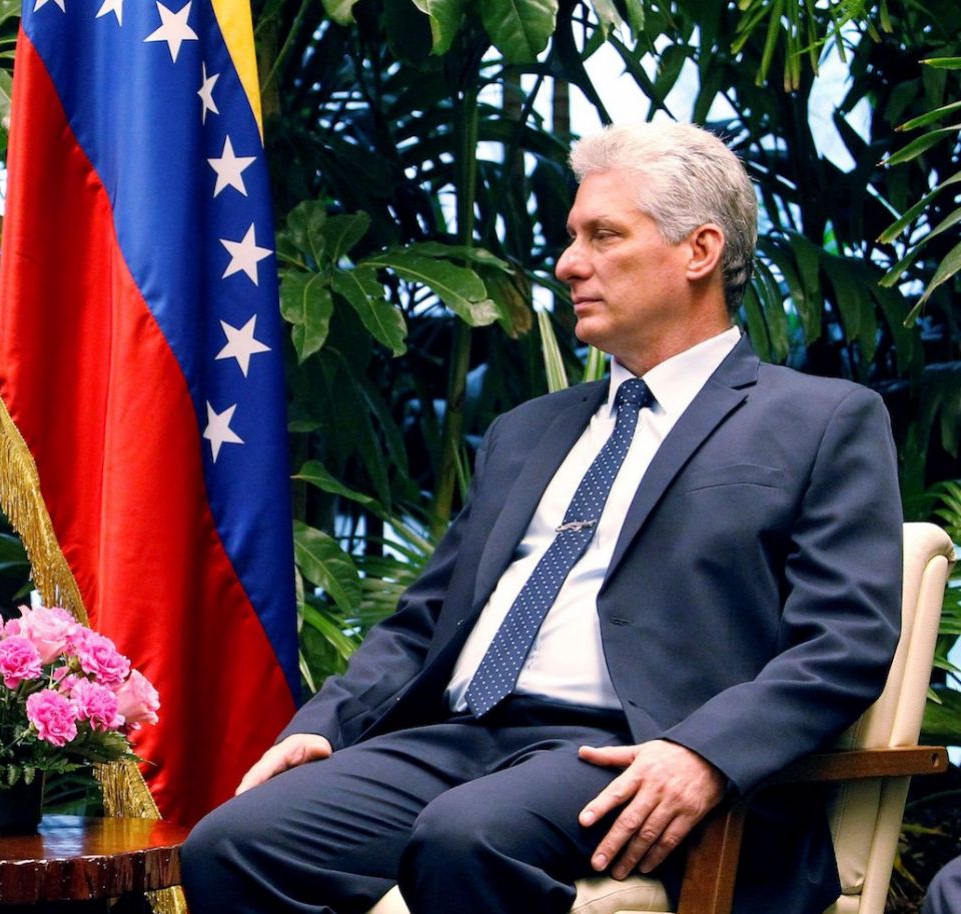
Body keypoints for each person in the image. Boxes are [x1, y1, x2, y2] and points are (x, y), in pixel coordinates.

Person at [182, 121, 902, 914]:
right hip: (456, 738)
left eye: (603, 235)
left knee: (467, 837)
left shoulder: (819, 419)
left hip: (626, 749)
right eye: (570, 237)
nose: (568, 264)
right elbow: (425, 621)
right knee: (233, 844)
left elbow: (844, 641)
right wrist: (324, 724)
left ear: (698, 252)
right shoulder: (530, 429)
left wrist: (702, 753)